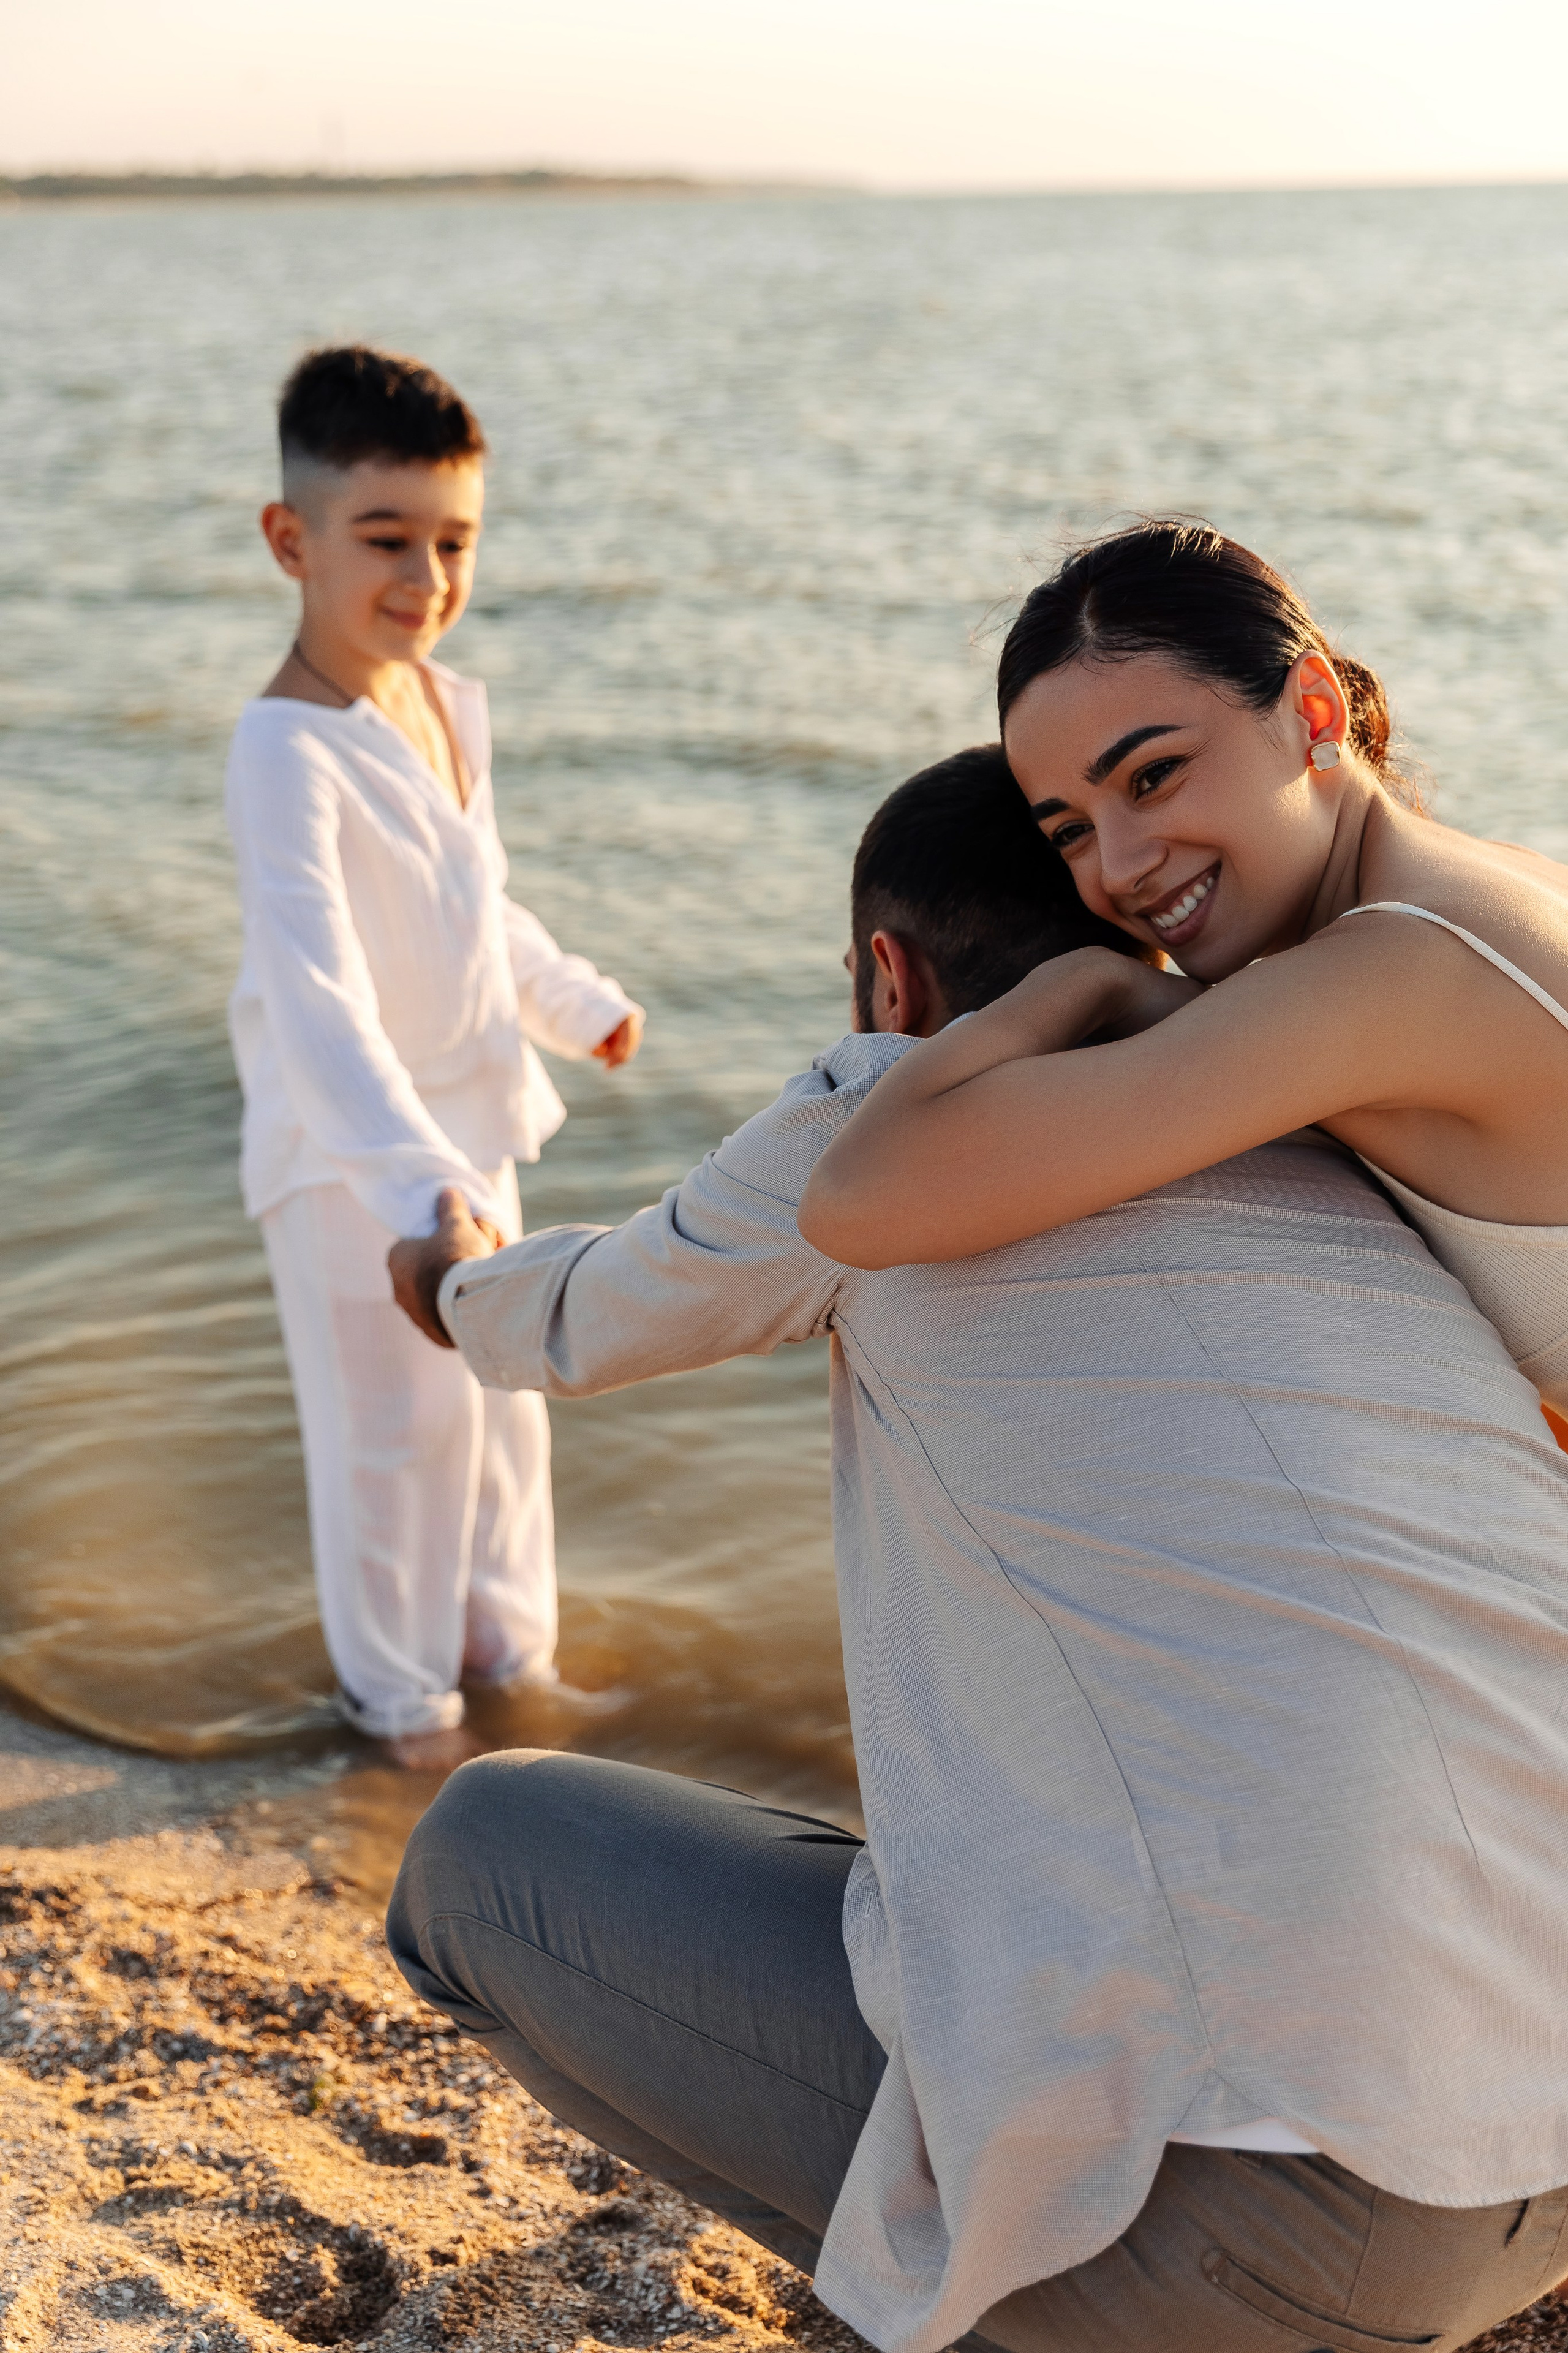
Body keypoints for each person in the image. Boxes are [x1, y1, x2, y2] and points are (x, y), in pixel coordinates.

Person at [383, 746, 1568, 2353]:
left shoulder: (896, 1122)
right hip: (1538, 2166)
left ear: (891, 975)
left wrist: (448, 1274)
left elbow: (571, 1321)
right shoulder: (1325, 1135)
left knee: (476, 1862)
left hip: (1285, 2225)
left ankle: (975, 2311)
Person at [796, 521, 1568, 1454]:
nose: (1119, 869)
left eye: (1154, 775)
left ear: (1314, 712)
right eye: (1070, 832)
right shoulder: (1503, 881)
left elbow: (854, 1197)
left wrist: (1083, 980)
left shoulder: (1391, 974)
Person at [224, 344, 643, 1769]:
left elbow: (474, 901)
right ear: (293, 539)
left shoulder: (444, 703)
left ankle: (506, 1667)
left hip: (474, 1132)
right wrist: (416, 1201)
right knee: (392, 1449)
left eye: (453, 541)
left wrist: (568, 998)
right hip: (358, 1167)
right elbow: (317, 995)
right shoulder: (285, 749)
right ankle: (399, 1712)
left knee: (499, 1421)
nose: (425, 577)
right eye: (385, 540)